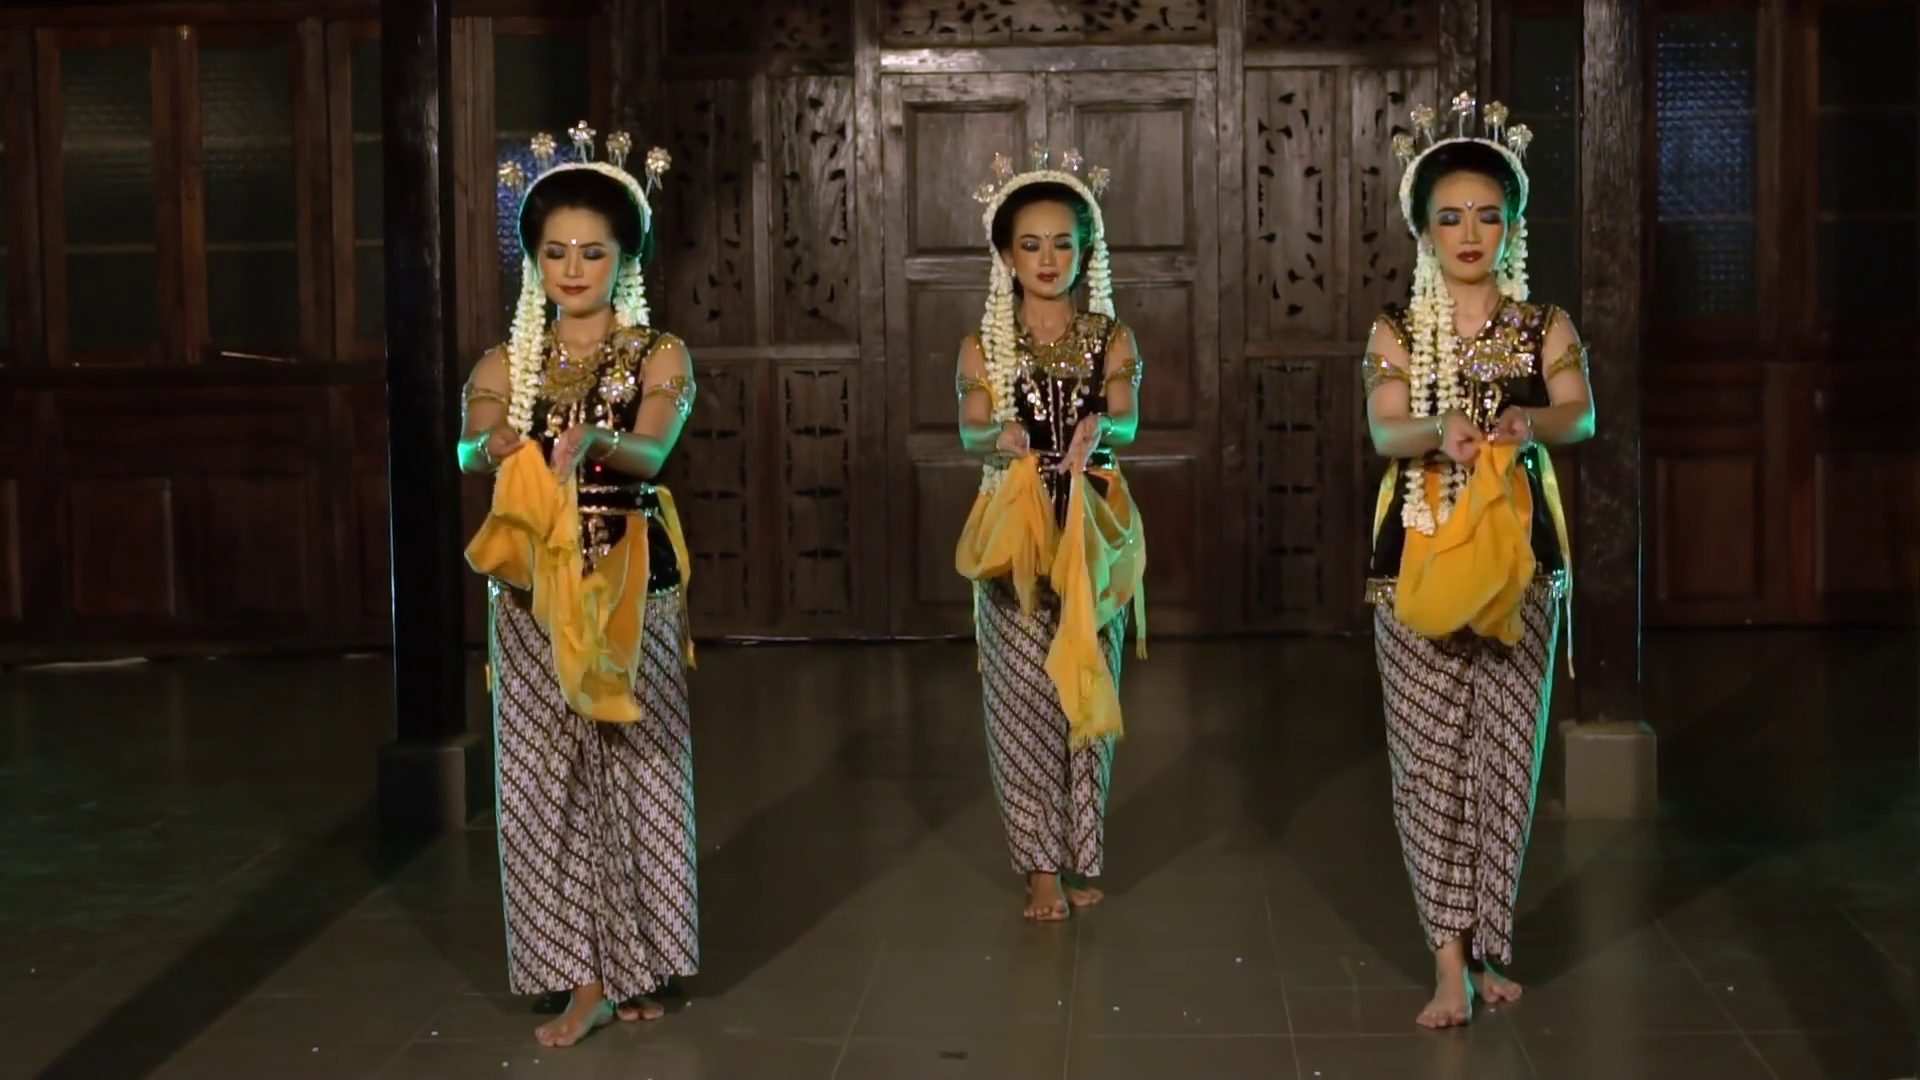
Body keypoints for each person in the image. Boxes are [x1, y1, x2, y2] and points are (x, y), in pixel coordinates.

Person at [457, 123, 699, 1048]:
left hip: (631, 580)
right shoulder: (505, 364)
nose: (572, 268)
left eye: (592, 251)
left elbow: (652, 450)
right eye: (555, 251)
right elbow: (467, 448)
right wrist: (495, 445)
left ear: (624, 257)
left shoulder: (659, 354)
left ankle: (634, 964)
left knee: (640, 769)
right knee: (541, 779)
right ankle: (585, 976)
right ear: (534, 259)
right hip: (531, 592)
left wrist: (597, 442)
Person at [1362, 94, 1594, 1029]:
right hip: (1413, 563)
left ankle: (1492, 946)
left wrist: (1526, 421)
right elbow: (1385, 431)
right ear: (1424, 230)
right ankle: (1449, 963)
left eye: (1488, 216)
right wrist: (1439, 429)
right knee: (1429, 764)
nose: (1469, 234)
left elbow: (1580, 414)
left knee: (1504, 762)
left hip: (1519, 566)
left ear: (1512, 227)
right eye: (1450, 217)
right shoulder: (1396, 329)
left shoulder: (1545, 324)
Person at [953, 147, 1147, 922]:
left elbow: (1127, 416)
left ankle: (1076, 856)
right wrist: (996, 437)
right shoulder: (984, 343)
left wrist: (1104, 427)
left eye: (1063, 243)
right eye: (1030, 244)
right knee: (1022, 706)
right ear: (1006, 255)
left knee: (1085, 699)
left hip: (1092, 533)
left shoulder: (1110, 336)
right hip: (1016, 537)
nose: (1047, 258)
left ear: (1084, 252)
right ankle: (1039, 871)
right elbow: (970, 428)